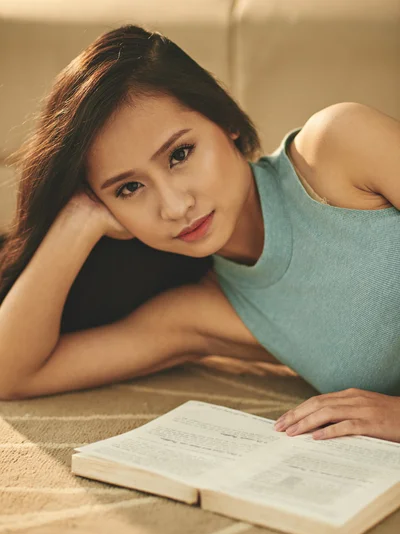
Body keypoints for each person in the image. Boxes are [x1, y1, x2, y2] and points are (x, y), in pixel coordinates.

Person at [0, 24, 399, 443]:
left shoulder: (338, 148)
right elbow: (12, 373)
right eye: (129, 188)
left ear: (225, 120)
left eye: (180, 154)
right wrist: (77, 221)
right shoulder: (206, 313)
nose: (174, 206)